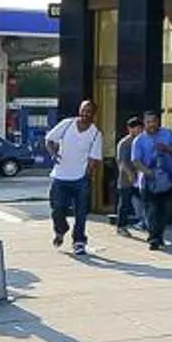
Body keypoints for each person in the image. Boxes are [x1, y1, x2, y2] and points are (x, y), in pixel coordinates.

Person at [43, 99, 107, 253]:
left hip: (80, 179)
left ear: (94, 114)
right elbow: (49, 140)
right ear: (79, 110)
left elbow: (93, 159)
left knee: (81, 213)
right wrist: (53, 154)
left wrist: (87, 176)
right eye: (83, 110)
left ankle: (79, 241)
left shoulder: (95, 134)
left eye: (89, 111)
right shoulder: (67, 124)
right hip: (60, 176)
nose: (85, 114)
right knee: (57, 209)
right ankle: (61, 229)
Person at [129, 106, 172, 252]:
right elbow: (136, 161)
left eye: (154, 121)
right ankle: (154, 238)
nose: (151, 124)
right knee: (152, 209)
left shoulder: (168, 135)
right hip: (148, 181)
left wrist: (167, 149)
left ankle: (158, 235)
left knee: (166, 210)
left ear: (158, 122)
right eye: (148, 122)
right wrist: (148, 173)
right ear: (144, 123)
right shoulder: (139, 140)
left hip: (168, 178)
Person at [114, 113, 145, 236]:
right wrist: (130, 175)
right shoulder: (124, 143)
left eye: (140, 128)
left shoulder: (142, 141)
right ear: (130, 129)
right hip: (126, 179)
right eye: (136, 128)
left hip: (140, 178)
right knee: (125, 204)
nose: (139, 130)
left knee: (144, 201)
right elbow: (121, 161)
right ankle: (121, 226)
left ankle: (143, 222)